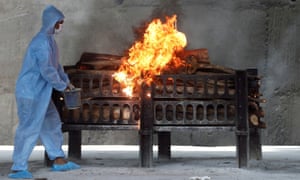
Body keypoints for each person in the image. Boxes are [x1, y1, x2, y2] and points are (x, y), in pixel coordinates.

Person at [8, 5, 80, 179]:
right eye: (59, 23)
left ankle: (58, 159)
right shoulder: (40, 43)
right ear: (51, 23)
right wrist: (61, 86)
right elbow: (47, 70)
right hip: (31, 93)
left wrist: (67, 82)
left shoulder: (50, 42)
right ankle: (18, 167)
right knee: (29, 128)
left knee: (52, 123)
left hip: (42, 94)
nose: (61, 26)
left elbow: (57, 66)